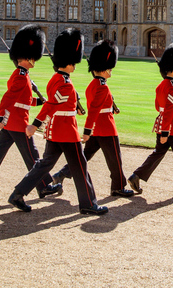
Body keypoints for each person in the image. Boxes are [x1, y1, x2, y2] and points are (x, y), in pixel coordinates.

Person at [8, 28, 107, 215]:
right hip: (66, 132)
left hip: (55, 131)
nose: (75, 66)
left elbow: (58, 103)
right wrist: (34, 124)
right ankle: (88, 204)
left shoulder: (57, 79)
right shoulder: (65, 83)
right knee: (80, 166)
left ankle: (18, 193)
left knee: (44, 165)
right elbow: (51, 105)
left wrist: (74, 106)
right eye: (74, 63)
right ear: (70, 62)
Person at [0, 24, 61, 199]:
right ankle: (44, 186)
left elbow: (22, 100)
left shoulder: (21, 74)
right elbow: (9, 97)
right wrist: (0, 116)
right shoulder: (21, 76)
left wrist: (39, 101)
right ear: (28, 57)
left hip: (12, 123)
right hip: (18, 123)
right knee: (33, 155)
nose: (35, 61)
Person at [52, 39, 134, 197]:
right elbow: (95, 110)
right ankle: (118, 187)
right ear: (104, 69)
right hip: (106, 128)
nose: (110, 70)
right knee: (115, 160)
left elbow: (98, 106)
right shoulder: (102, 86)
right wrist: (87, 130)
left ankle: (61, 174)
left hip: (97, 129)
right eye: (109, 68)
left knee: (84, 157)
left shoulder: (93, 84)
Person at [127, 42, 173, 197]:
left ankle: (137, 175)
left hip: (162, 126)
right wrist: (166, 133)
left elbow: (159, 106)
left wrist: (164, 129)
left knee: (157, 154)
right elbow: (168, 111)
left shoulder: (161, 85)